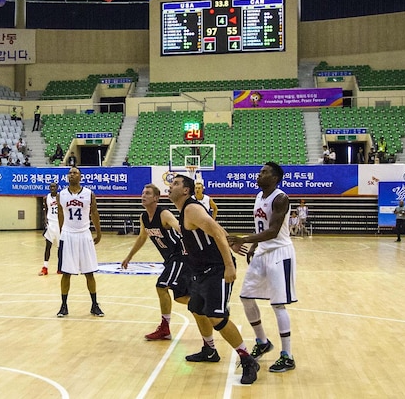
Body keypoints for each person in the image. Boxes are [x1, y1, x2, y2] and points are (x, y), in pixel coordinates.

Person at [169, 174, 259, 384]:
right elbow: (216, 229)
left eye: (175, 183)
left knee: (216, 316)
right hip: (202, 270)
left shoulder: (192, 208)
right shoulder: (184, 211)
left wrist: (228, 264)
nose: (170, 186)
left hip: (217, 268)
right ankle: (209, 350)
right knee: (196, 308)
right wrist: (230, 241)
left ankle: (247, 359)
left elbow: (215, 230)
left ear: (185, 190)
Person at [229, 161, 298, 374]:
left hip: (279, 253)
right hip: (262, 252)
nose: (259, 175)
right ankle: (262, 341)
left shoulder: (281, 198)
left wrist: (245, 239)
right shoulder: (259, 197)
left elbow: (274, 230)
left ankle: (287, 356)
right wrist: (255, 246)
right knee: (246, 297)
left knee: (278, 305)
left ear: (275, 178)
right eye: (260, 172)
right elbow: (263, 227)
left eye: (264, 172)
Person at [121, 183, 187, 341]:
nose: (143, 195)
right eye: (143, 192)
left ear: (156, 198)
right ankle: (207, 306)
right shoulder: (144, 217)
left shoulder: (163, 213)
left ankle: (165, 328)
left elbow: (180, 228)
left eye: (148, 193)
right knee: (180, 297)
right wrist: (129, 256)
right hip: (170, 259)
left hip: (181, 256)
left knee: (161, 286)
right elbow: (142, 237)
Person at [56, 166, 103, 317]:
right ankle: (64, 306)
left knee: (89, 273)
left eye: (75, 173)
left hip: (84, 234)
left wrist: (98, 232)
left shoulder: (89, 194)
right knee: (66, 273)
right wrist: (61, 231)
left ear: (80, 176)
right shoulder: (61, 194)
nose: (71, 175)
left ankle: (95, 305)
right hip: (68, 235)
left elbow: (94, 212)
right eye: (69, 173)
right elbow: (61, 214)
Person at [39, 182, 60, 276]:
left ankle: (60, 268)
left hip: (59, 224)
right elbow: (46, 209)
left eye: (54, 187)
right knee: (48, 246)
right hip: (51, 224)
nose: (52, 188)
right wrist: (45, 220)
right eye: (51, 187)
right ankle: (45, 267)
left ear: (57, 188)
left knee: (60, 248)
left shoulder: (61, 197)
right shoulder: (46, 198)